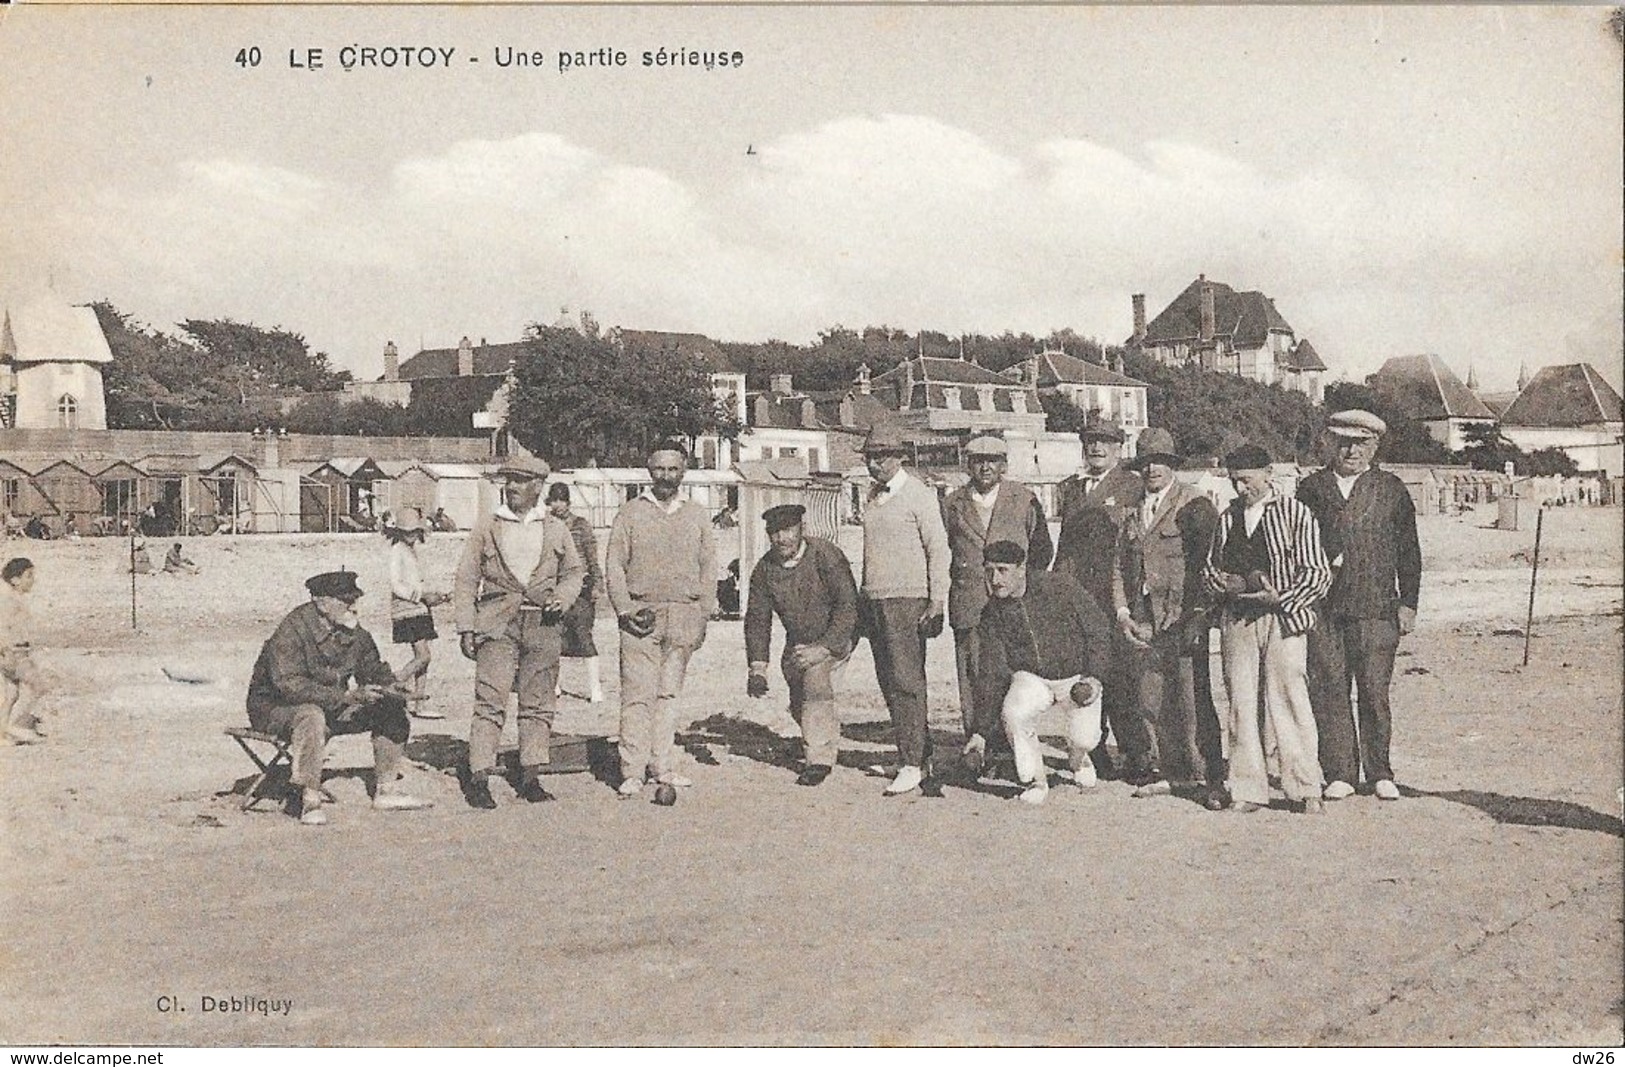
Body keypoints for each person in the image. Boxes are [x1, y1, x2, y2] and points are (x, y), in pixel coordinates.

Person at [1297, 409, 1422, 803]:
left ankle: (1380, 771)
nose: (1351, 450)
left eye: (1361, 443)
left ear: (1375, 446)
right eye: (1344, 442)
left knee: (1373, 690)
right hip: (1324, 608)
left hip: (1377, 607)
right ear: (1330, 443)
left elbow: (1409, 552)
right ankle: (1340, 772)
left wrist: (1409, 604)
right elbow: (1294, 547)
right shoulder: (1311, 489)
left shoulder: (1391, 489)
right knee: (1329, 688)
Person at [1202, 444, 1332, 815]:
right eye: (1234, 482)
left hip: (1283, 620)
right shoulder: (1227, 517)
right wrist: (1218, 583)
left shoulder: (1296, 513)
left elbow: (1318, 573)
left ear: (1267, 473)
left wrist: (1282, 598)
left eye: (1246, 480)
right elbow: (1212, 566)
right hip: (1238, 620)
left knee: (1289, 700)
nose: (1241, 488)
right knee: (1241, 704)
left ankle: (1305, 787)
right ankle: (1247, 788)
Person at [245, 570, 430, 825]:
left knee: (390, 706)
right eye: (346, 601)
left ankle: (387, 790)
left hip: (332, 705)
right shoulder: (292, 630)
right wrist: (346, 696)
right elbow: (289, 685)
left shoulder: (353, 631)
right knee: (310, 715)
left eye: (355, 599)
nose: (354, 606)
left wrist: (392, 687)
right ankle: (309, 799)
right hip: (274, 710)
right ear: (321, 603)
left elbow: (372, 668)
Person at [453, 455, 585, 809]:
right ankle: (479, 775)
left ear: (538, 487)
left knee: (538, 702)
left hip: (543, 625)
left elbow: (575, 573)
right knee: (490, 700)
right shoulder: (488, 526)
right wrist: (466, 626)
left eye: (520, 480)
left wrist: (563, 597)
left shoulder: (556, 528)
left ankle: (531, 774)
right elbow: (466, 578)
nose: (511, 486)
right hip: (496, 624)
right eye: (508, 480)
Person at [1110, 428, 1225, 806]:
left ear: (1173, 466)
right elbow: (1119, 566)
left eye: (1160, 462)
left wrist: (1198, 614)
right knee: (1151, 696)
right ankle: (1169, 771)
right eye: (1145, 463)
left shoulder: (1194, 503)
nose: (1152, 469)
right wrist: (1124, 612)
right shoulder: (1130, 507)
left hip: (1182, 614)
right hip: (1143, 615)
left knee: (1192, 697)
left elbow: (1208, 563)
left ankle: (1206, 774)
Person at [606, 444, 716, 798]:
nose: (666, 476)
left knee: (669, 694)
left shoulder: (697, 514)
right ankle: (632, 771)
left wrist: (702, 616)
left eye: (673, 469)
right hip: (642, 614)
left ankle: (662, 766)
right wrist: (625, 609)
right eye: (659, 469)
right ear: (648, 471)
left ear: (683, 471)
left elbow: (709, 568)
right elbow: (614, 567)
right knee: (638, 695)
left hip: (684, 614)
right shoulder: (630, 513)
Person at [940, 435, 1053, 777]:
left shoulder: (1024, 499)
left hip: (1012, 606)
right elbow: (943, 547)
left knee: (1013, 677)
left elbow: (1042, 551)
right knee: (974, 678)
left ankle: (1010, 755)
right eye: (977, 460)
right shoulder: (952, 503)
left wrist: (1023, 588)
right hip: (970, 603)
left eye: (993, 460)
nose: (985, 467)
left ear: (1004, 465)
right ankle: (977, 751)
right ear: (967, 464)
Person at [975, 540, 1114, 805]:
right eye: (989, 570)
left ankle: (1078, 758)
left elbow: (1098, 628)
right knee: (1014, 711)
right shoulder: (992, 612)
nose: (995, 579)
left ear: (1021, 568)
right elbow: (991, 671)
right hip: (1032, 678)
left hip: (1076, 677)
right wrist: (980, 732)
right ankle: (1035, 780)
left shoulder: (1061, 587)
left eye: (1002, 570)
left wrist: (1094, 676)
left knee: (1085, 737)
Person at [856, 424, 950, 796]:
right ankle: (914, 755)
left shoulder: (919, 495)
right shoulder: (873, 497)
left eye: (881, 456)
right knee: (889, 681)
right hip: (875, 600)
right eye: (870, 458)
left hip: (907, 601)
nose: (875, 464)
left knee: (908, 681)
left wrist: (936, 600)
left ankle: (913, 764)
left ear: (899, 458)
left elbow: (938, 550)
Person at [1052, 419, 1147, 784]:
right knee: (1091, 673)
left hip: (1118, 595)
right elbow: (1065, 546)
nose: (1097, 448)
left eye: (1105, 443)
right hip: (1082, 595)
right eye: (1091, 441)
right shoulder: (1072, 490)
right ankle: (1095, 752)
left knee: (1124, 678)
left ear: (1119, 449)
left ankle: (1137, 753)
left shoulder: (1132, 486)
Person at [743, 504, 860, 786]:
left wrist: (825, 647)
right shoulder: (765, 569)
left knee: (815, 682)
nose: (781, 538)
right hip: (798, 641)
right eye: (774, 532)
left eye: (788, 530)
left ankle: (819, 759)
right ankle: (820, 732)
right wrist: (757, 668)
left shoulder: (826, 555)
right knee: (799, 696)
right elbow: (758, 619)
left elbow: (848, 606)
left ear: (801, 529)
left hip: (837, 634)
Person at [545, 481, 605, 704]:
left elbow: (592, 557)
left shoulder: (581, 525)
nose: (558, 505)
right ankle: (555, 686)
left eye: (561, 500)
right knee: (552, 636)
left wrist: (597, 584)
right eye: (554, 500)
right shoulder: (546, 526)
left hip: (580, 586)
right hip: (554, 587)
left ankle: (594, 688)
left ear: (568, 502)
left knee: (583, 635)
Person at [385, 508, 448, 719]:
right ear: (399, 532)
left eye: (414, 531)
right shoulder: (397, 550)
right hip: (407, 610)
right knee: (424, 656)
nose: (412, 535)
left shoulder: (410, 550)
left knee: (424, 658)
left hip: (419, 609)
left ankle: (419, 703)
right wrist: (420, 596)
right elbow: (395, 584)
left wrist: (431, 596)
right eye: (407, 532)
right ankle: (395, 682)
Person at [1, 558, 49, 745]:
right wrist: (4, 647)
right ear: (15, 580)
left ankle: (2, 733)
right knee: (40, 687)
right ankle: (19, 727)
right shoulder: (9, 601)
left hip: (13, 652)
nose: (32, 580)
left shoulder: (13, 598)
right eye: (28, 576)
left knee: (12, 695)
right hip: (14, 652)